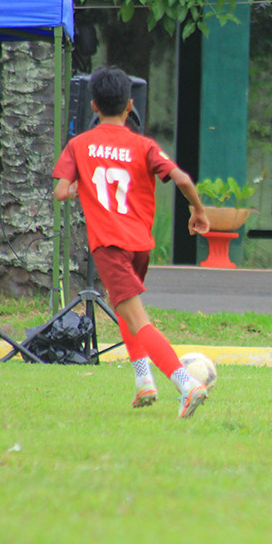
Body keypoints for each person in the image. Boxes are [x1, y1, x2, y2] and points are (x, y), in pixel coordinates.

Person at [52, 66, 212, 419]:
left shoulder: (79, 145)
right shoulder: (144, 145)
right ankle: (144, 381)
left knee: (137, 318)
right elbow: (182, 179)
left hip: (109, 245)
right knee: (124, 307)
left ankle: (186, 384)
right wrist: (198, 211)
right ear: (129, 105)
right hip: (140, 244)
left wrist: (81, 187)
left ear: (93, 106)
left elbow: (61, 192)